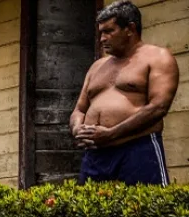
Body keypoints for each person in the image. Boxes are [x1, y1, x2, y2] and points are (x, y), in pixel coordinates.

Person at [72, 0, 180, 185]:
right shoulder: (97, 66)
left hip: (137, 148)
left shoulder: (157, 58)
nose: (102, 39)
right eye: (101, 33)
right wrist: (77, 128)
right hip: (95, 154)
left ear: (130, 28)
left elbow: (158, 107)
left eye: (109, 31)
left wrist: (112, 133)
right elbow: (79, 110)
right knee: (89, 212)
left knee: (145, 210)